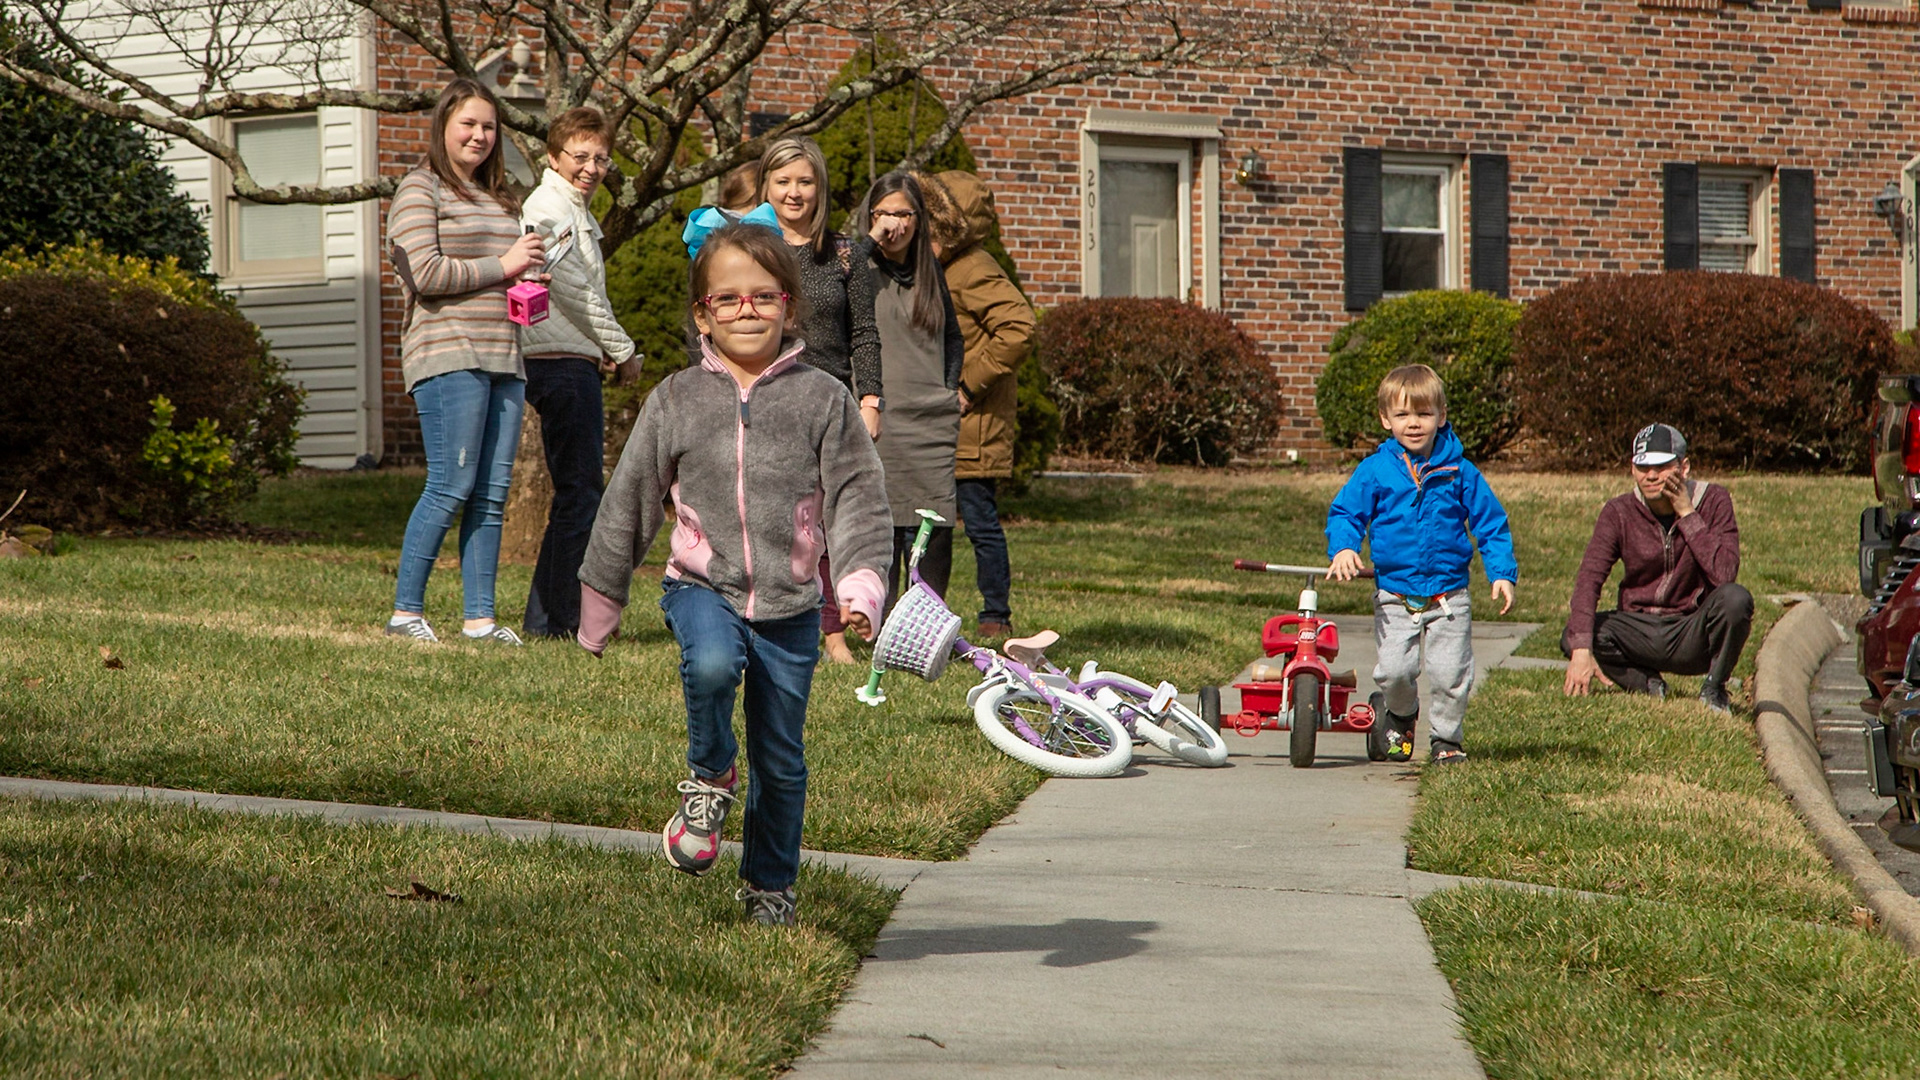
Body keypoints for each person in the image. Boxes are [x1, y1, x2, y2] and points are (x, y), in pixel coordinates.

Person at [574, 224, 891, 926]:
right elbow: (629, 497)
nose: (747, 311)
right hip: (702, 585)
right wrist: (601, 599)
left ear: (789, 307)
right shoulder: (677, 399)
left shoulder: (824, 400)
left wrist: (861, 586)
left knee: (781, 760)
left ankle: (770, 887)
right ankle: (711, 775)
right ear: (703, 315)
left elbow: (859, 500)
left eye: (763, 297)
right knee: (712, 666)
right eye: (729, 299)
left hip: (791, 604)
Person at [385, 77, 544, 646]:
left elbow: (502, 268)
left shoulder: (501, 197)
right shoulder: (418, 190)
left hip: (505, 354)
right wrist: (504, 264)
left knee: (491, 494)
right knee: (451, 484)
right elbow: (422, 275)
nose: (479, 135)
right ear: (443, 128)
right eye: (468, 124)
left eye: (488, 126)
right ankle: (406, 613)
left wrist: (527, 281)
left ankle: (479, 621)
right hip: (447, 353)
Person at [1327, 364, 1517, 764]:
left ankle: (1446, 740)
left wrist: (1501, 573)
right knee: (1395, 671)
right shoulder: (1376, 471)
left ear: (1441, 416)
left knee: (1451, 675)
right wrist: (1344, 547)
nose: (1413, 424)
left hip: (1450, 595)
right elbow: (1345, 513)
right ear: (1385, 420)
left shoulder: (1460, 472)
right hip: (1395, 593)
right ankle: (1400, 712)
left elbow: (1491, 522)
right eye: (1402, 415)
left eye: (1424, 414)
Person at [758, 136, 884, 662]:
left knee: (830, 523)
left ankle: (833, 630)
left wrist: (871, 399)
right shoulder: (749, 249)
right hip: (766, 397)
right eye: (783, 181)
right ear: (766, 187)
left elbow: (865, 334)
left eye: (804, 181)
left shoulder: (847, 255)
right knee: (775, 518)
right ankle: (770, 619)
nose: (794, 192)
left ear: (821, 189)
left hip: (831, 403)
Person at [517, 106, 636, 640]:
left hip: (570, 357)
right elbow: (575, 292)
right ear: (553, 156)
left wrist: (600, 347)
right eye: (580, 155)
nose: (591, 166)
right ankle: (556, 622)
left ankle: (550, 619)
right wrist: (623, 348)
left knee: (576, 494)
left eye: (601, 158)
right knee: (581, 494)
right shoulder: (551, 209)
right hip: (559, 365)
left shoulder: (568, 206)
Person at [1561, 423, 1752, 712]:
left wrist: (1687, 513)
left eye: (1662, 466)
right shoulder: (1618, 512)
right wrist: (1581, 651)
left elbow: (1725, 574)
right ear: (1632, 469)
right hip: (1639, 629)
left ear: (1683, 467)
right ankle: (1648, 684)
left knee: (1736, 599)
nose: (1651, 475)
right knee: (1576, 634)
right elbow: (1589, 579)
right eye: (1642, 466)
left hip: (1692, 630)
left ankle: (1714, 688)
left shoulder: (1714, 501)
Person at [924, 170, 1035, 639]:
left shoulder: (974, 269)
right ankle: (929, 614)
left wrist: (969, 387)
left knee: (980, 523)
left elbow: (1019, 327)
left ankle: (995, 616)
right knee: (933, 526)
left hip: (973, 424)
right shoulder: (935, 270)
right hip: (936, 424)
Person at [852, 170, 966, 613]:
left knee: (932, 526)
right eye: (884, 213)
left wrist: (950, 386)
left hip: (929, 419)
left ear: (919, 219)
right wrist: (869, 240)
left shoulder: (930, 269)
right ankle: (877, 621)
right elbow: (824, 287)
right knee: (879, 522)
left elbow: (953, 336)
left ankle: (923, 624)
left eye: (904, 213)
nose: (895, 223)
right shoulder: (856, 266)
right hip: (877, 413)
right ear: (870, 216)